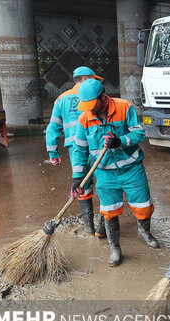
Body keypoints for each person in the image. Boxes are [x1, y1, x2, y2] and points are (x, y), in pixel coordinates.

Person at [71, 79, 158, 267]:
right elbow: (80, 149)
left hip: (131, 169)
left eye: (93, 105)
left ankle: (145, 232)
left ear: (103, 97)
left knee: (143, 206)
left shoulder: (124, 107)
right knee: (109, 212)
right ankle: (115, 248)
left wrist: (120, 141)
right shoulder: (85, 118)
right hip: (104, 173)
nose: (90, 110)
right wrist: (77, 177)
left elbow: (139, 134)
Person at [45, 66, 105, 237]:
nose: (96, 83)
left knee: (81, 185)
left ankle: (89, 227)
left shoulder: (60, 100)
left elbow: (53, 128)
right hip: (96, 145)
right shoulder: (94, 95)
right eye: (93, 79)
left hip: (75, 149)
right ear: (85, 79)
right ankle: (102, 226)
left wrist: (53, 153)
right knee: (104, 181)